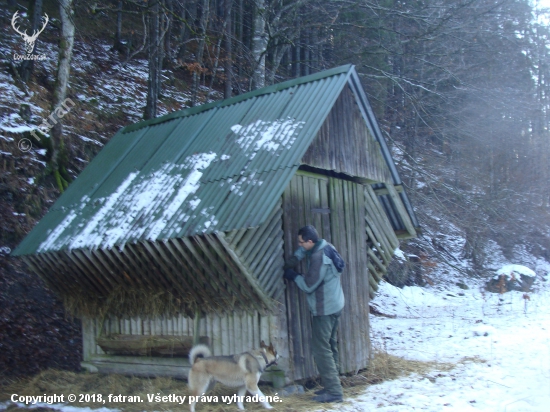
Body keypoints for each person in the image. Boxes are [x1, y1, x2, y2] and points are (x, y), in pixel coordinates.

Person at [283, 225, 345, 403]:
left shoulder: (318, 258)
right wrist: (297, 256)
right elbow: (307, 251)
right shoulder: (327, 247)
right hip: (336, 304)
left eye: (301, 242)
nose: (299, 245)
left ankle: (334, 392)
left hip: (325, 309)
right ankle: (333, 385)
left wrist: (294, 275)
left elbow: (309, 285)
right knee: (330, 344)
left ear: (310, 241)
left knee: (320, 349)